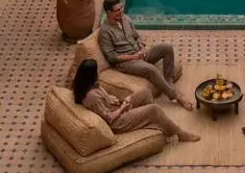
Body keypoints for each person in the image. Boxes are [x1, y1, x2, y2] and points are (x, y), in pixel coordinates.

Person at [98, 0, 195, 110]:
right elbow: (111, 57)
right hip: (126, 62)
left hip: (139, 53)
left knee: (167, 47)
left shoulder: (125, 18)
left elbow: (136, 36)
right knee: (151, 69)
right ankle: (176, 96)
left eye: (121, 8)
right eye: (117, 10)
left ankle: (168, 83)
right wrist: (133, 56)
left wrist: (142, 47)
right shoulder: (104, 31)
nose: (121, 11)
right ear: (108, 12)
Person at [73, 59, 201, 142]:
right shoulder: (91, 96)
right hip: (117, 122)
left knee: (145, 92)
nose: (98, 74)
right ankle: (180, 133)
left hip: (117, 107)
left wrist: (123, 100)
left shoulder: (91, 84)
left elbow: (107, 99)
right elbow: (109, 119)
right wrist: (123, 107)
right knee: (154, 109)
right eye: (95, 72)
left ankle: (157, 124)